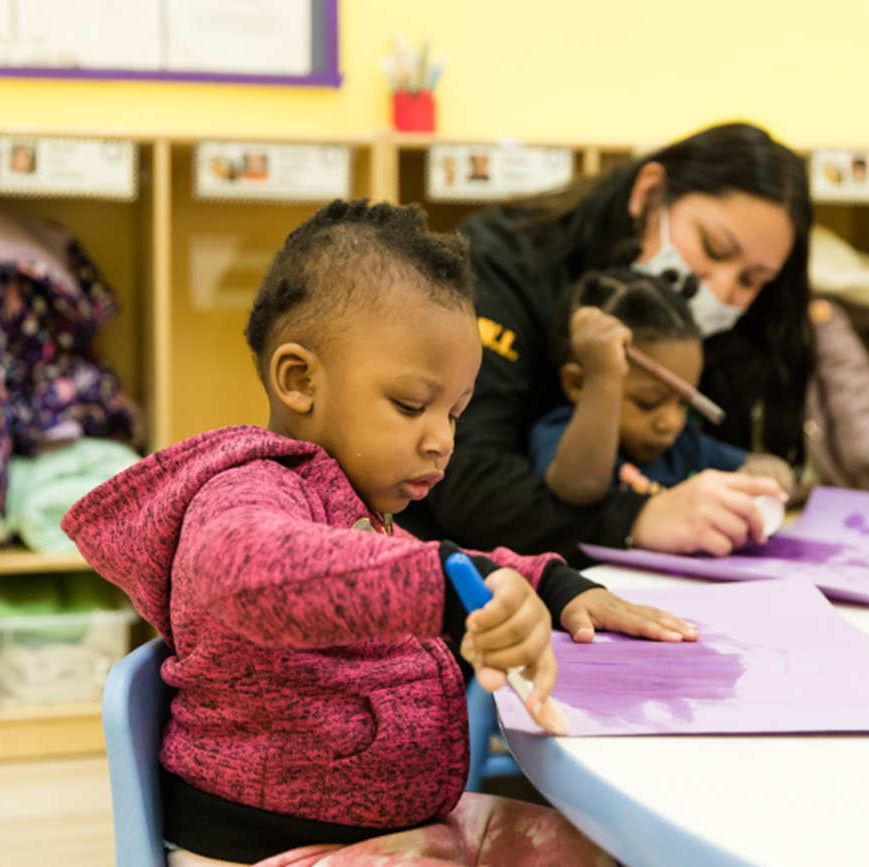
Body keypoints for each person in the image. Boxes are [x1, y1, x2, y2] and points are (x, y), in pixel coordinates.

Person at [61, 199, 697, 867]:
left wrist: (550, 582)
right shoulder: (249, 487)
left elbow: (417, 559)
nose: (442, 442)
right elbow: (249, 572)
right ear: (300, 380)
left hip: (401, 827)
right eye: (410, 405)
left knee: (611, 851)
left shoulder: (353, 501)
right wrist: (451, 587)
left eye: (455, 413)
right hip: (279, 851)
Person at [402, 121, 813, 564]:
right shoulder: (501, 268)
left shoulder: (735, 333)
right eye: (713, 248)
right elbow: (466, 484)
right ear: (650, 193)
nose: (720, 291)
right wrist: (639, 519)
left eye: (752, 281)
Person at [531, 267, 795, 506]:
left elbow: (753, 464)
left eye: (683, 402)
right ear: (577, 384)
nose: (671, 423)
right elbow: (580, 488)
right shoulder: (558, 433)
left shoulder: (685, 444)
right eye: (648, 403)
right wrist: (603, 375)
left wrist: (768, 473)